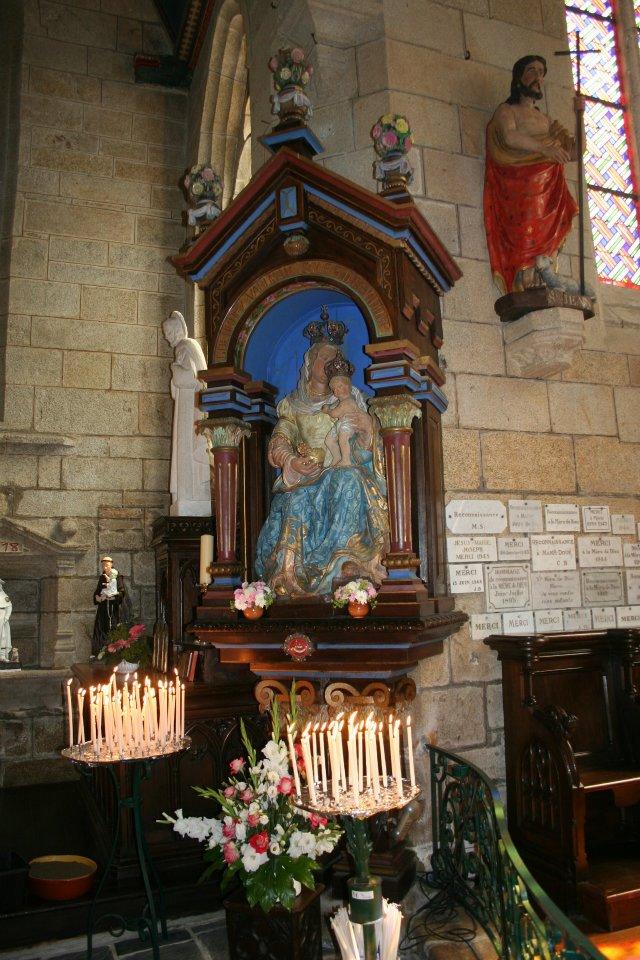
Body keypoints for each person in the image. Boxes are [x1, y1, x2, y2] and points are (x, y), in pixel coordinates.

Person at [254, 317, 389, 597]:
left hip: (341, 469)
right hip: (306, 479)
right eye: (324, 359)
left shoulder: (353, 401)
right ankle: (291, 572)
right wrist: (291, 462)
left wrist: (367, 432)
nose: (328, 365)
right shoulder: (292, 405)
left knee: (348, 478)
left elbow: (366, 451)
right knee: (296, 499)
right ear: (309, 363)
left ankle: (345, 560)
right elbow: (280, 440)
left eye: (334, 360)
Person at [484, 55, 580, 295]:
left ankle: (544, 275)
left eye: (541, 73)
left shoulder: (547, 121)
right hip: (521, 186)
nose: (538, 77)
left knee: (546, 235)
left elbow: (575, 153)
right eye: (532, 71)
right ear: (519, 78)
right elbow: (509, 137)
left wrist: (580, 116)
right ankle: (524, 280)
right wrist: (544, 150)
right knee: (525, 233)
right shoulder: (507, 110)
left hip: (549, 187)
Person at [162, 310, 211, 517]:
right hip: (187, 405)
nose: (168, 338)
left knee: (188, 451)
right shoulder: (185, 347)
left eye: (169, 333)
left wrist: (175, 370)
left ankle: (191, 495)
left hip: (191, 408)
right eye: (166, 334)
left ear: (177, 330)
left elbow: (191, 379)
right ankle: (187, 495)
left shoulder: (186, 346)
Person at [321, 356, 375, 468]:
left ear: (348, 387)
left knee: (343, 439)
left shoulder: (349, 402)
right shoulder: (340, 402)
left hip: (348, 424)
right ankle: (337, 457)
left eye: (339, 387)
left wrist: (327, 410)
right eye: (334, 389)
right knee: (329, 441)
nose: (336, 391)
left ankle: (346, 459)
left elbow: (335, 413)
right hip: (341, 424)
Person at [91, 556, 132, 655]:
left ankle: (114, 654)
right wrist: (97, 597)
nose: (104, 567)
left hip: (114, 609)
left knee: (114, 629)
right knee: (101, 630)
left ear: (111, 565)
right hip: (103, 610)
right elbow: (98, 591)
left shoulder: (117, 577)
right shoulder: (102, 577)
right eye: (103, 565)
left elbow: (121, 592)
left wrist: (113, 597)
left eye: (107, 565)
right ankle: (101, 653)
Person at [0, 579, 12, 662]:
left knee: (3, 636)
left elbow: (9, 606)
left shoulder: (4, 596)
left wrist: (6, 617)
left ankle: (2, 655)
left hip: (2, 616)